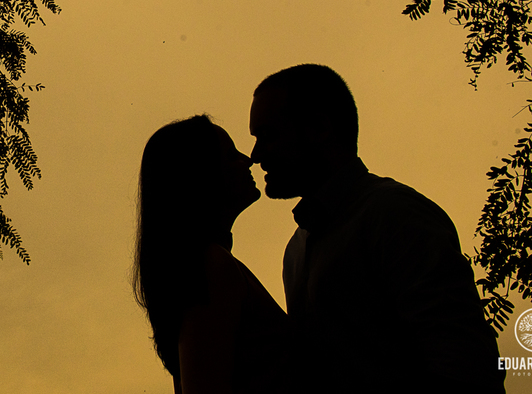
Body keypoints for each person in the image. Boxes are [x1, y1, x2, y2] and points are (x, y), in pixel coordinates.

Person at [249, 64, 505, 392]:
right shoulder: (296, 250)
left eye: (268, 136)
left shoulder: (396, 215)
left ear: (320, 127)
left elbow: (464, 363)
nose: (256, 155)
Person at [134, 115, 289, 393]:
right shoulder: (212, 267)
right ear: (201, 176)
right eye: (231, 156)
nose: (248, 159)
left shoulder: (203, 268)